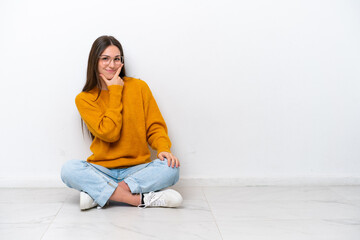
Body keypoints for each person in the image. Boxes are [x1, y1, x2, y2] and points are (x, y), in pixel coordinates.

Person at [61, 35, 182, 210]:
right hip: (102, 170)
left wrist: (164, 148)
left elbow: (154, 126)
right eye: (105, 59)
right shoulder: (85, 98)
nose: (112, 65)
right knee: (69, 169)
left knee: (171, 169)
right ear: (94, 61)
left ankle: (99, 194)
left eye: (117, 59)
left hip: (138, 169)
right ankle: (139, 199)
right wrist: (115, 91)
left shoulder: (139, 87)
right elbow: (110, 134)